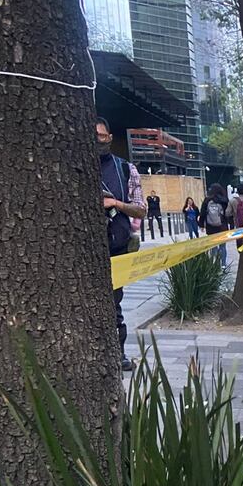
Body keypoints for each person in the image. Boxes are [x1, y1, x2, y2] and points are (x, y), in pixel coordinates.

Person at [97, 117, 146, 371]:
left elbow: (140, 210)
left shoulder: (126, 169)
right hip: (84, 252)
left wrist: (115, 204)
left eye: (102, 136)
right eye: (93, 136)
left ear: (110, 137)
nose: (98, 141)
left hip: (116, 248)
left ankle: (119, 354)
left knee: (114, 303)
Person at [200, 184, 231, 264]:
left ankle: (216, 265)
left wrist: (201, 225)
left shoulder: (207, 200)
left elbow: (202, 213)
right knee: (223, 247)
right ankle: (223, 264)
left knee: (213, 247)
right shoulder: (224, 200)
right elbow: (227, 213)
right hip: (222, 227)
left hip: (211, 227)